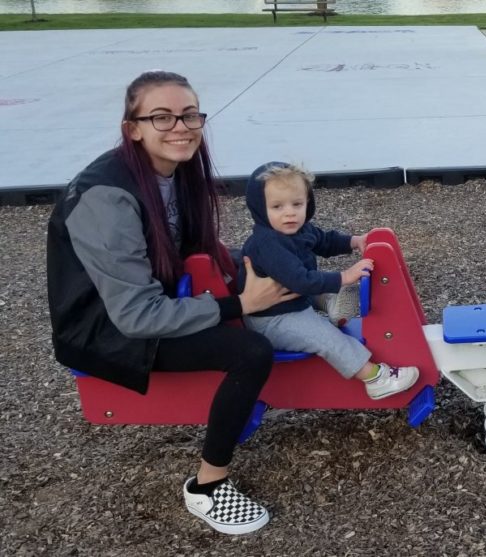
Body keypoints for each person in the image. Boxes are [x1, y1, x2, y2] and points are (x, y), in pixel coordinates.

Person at [47, 70, 298, 535]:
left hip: (152, 296)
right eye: (161, 117)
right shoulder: (106, 198)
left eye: (189, 115)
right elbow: (136, 315)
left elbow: (193, 250)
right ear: (133, 128)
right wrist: (238, 305)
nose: (180, 127)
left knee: (268, 272)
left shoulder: (173, 171)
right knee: (250, 352)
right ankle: (207, 486)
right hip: (109, 329)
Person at [240, 161, 420, 400]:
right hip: (272, 320)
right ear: (260, 209)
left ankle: (333, 305)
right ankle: (375, 378)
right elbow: (301, 281)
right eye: (277, 206)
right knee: (325, 336)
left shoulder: (299, 229)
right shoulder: (268, 244)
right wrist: (344, 277)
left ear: (308, 203)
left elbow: (324, 240)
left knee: (319, 286)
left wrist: (354, 241)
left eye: (297, 204)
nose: (289, 213)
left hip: (292, 298)